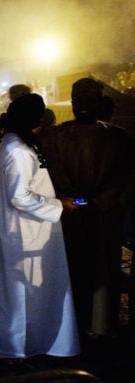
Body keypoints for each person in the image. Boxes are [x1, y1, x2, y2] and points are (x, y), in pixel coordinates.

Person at [0, 93, 81, 360]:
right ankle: (13, 346)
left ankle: (26, 343)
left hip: (26, 230)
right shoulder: (17, 150)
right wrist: (59, 205)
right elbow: (19, 196)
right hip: (22, 233)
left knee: (22, 291)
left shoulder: (14, 143)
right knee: (18, 291)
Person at [42, 77, 135, 346]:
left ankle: (101, 330)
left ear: (98, 103)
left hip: (104, 220)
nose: (82, 106)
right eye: (77, 100)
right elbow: (56, 175)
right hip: (70, 220)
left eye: (88, 100)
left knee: (103, 275)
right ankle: (69, 329)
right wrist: (81, 203)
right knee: (71, 274)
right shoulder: (57, 135)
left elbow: (124, 178)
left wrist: (96, 203)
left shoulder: (117, 137)